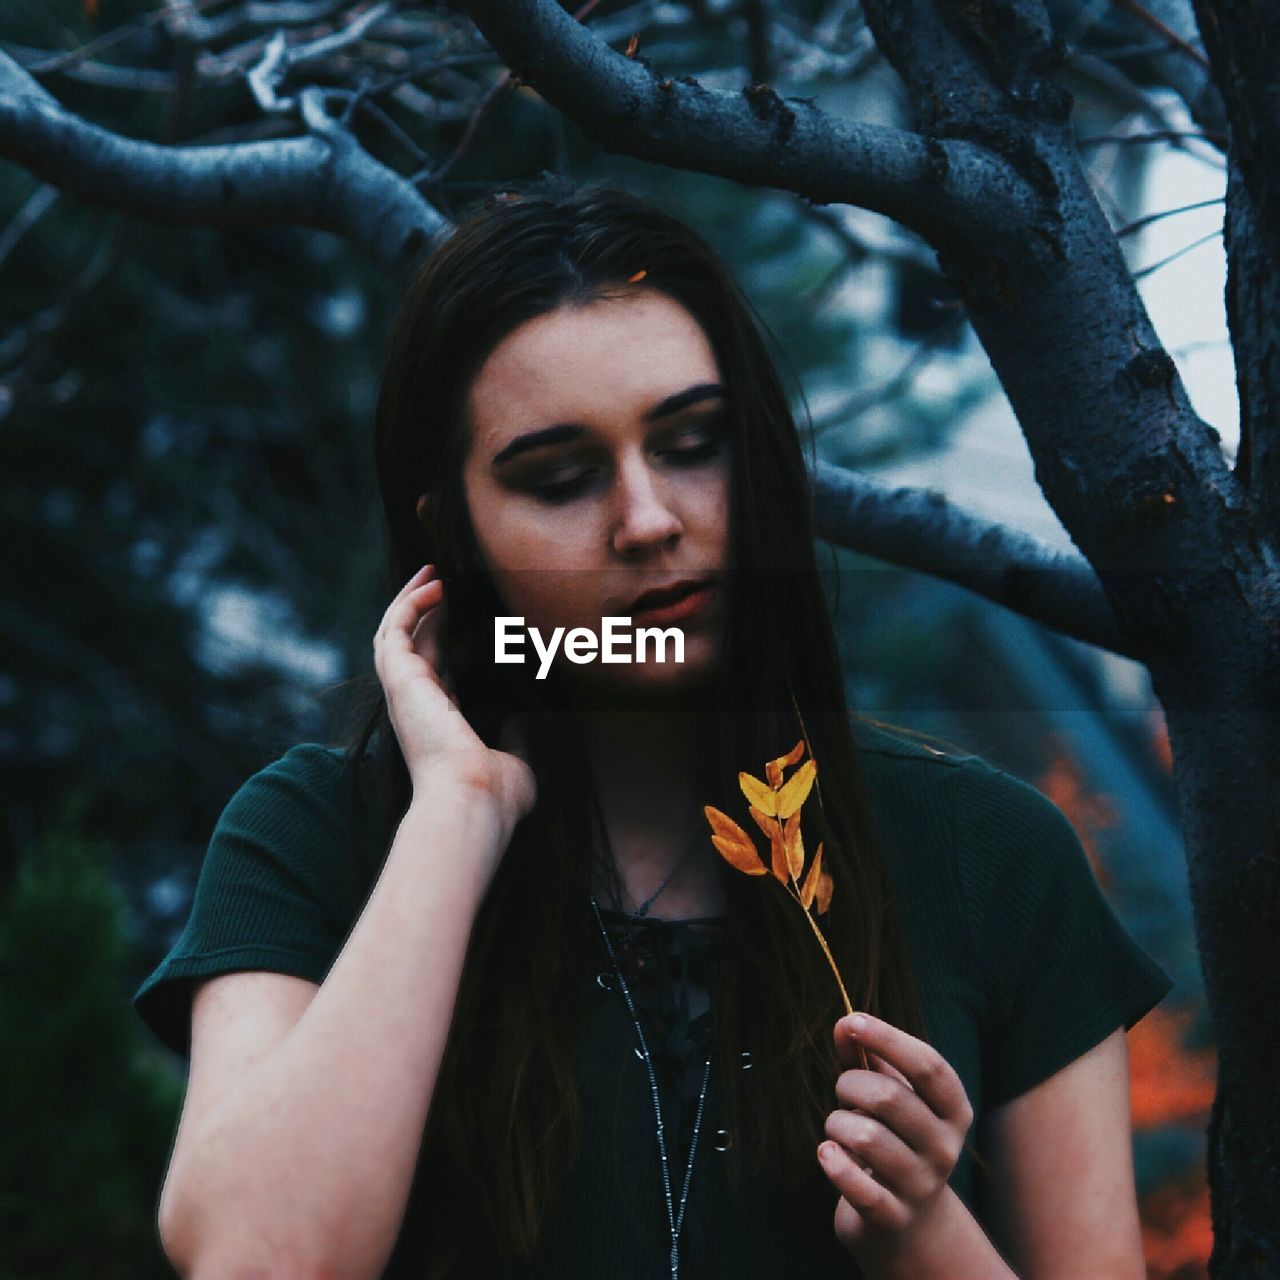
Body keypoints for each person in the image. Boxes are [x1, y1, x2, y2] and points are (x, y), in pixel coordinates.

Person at [134, 178, 1173, 1280]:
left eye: (690, 444)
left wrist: (928, 1237)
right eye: (561, 478)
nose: (647, 519)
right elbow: (256, 1257)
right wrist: (459, 810)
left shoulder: (986, 854)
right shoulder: (318, 837)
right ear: (457, 532)